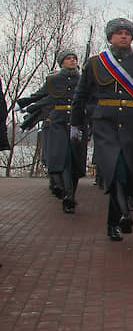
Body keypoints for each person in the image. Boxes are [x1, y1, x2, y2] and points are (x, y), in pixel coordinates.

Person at [71, 19, 133, 241]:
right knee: (115, 167)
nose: (123, 36)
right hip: (105, 124)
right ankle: (123, 213)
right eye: (119, 33)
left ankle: (114, 223)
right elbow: (81, 96)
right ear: (110, 37)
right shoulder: (95, 63)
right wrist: (75, 124)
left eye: (127, 33)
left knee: (125, 172)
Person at [18, 51, 84, 213]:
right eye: (68, 58)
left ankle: (69, 193)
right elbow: (40, 96)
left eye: (74, 58)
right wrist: (22, 103)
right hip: (58, 122)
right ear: (61, 62)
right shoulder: (53, 80)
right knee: (62, 157)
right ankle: (68, 196)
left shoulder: (83, 80)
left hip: (77, 122)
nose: (72, 61)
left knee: (75, 161)